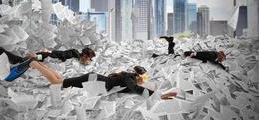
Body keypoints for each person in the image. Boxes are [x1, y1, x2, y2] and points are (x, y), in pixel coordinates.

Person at [32, 64, 177, 99]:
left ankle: (39, 64)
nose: (143, 81)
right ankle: (34, 64)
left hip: (95, 79)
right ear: (137, 75)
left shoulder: (126, 76)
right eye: (143, 78)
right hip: (93, 81)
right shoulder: (129, 78)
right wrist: (158, 95)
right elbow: (136, 89)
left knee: (62, 81)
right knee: (59, 84)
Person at [0, 46, 95, 81]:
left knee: (17, 60)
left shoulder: (75, 58)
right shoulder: (71, 55)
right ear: (84, 55)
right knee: (13, 70)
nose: (88, 61)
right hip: (38, 59)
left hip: (39, 60)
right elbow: (53, 56)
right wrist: (37, 56)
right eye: (88, 58)